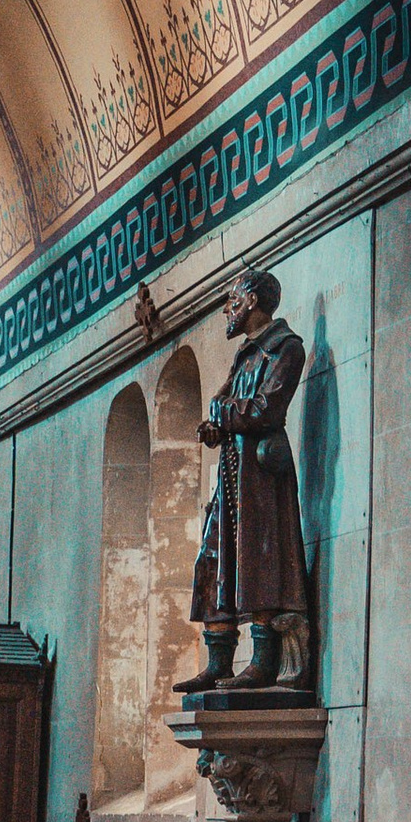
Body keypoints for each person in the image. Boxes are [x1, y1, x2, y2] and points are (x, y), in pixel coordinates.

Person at [182, 267, 308, 692]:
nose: (227, 310)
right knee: (216, 557)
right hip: (233, 475)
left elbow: (266, 410)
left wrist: (222, 414)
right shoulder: (248, 354)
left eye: (232, 300)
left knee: (260, 561)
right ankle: (219, 659)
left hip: (260, 478)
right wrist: (216, 427)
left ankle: (263, 661)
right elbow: (229, 405)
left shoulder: (285, 350)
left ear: (252, 299)